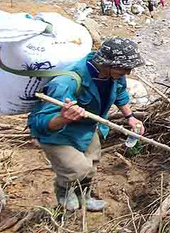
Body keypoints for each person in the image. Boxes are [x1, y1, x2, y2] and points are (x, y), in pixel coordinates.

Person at [28, 38, 146, 211]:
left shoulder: (115, 76)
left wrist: (130, 116)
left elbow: (120, 92)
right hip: (58, 133)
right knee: (77, 168)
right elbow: (40, 123)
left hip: (87, 127)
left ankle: (85, 197)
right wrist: (64, 118)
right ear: (107, 64)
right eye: (124, 68)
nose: (128, 72)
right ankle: (64, 191)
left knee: (92, 165)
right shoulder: (66, 82)